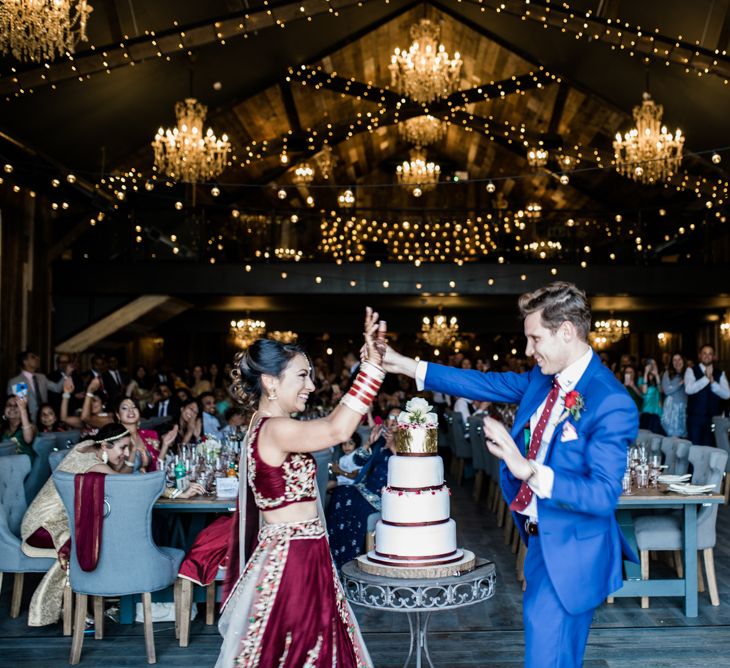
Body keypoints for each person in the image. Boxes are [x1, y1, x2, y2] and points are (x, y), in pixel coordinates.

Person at [383, 282, 639, 668]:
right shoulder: (542, 379)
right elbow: (485, 384)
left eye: (535, 338)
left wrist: (528, 470)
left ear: (566, 331)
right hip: (540, 541)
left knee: (546, 658)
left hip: (573, 548)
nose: (527, 350)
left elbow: (603, 495)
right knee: (558, 658)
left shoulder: (610, 399)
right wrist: (403, 364)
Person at [215, 308, 385, 668]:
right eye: (302, 376)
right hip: (292, 559)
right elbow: (338, 431)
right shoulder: (275, 428)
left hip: (303, 551)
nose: (311, 385)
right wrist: (371, 369)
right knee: (301, 650)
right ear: (271, 381)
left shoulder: (266, 426)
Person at [20, 423, 204, 627]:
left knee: (106, 535)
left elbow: (122, 475)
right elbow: (131, 486)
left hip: (64, 516)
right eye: (122, 448)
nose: (125, 453)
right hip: (44, 525)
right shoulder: (93, 464)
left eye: (127, 448)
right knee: (100, 540)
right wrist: (177, 493)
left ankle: (108, 597)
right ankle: (101, 600)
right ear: (106, 445)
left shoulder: (91, 445)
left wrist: (128, 453)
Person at [114, 396, 178, 471]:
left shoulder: (150, 435)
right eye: (125, 408)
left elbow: (156, 469)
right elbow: (117, 474)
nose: (131, 410)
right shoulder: (116, 438)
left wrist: (165, 445)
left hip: (150, 480)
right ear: (118, 415)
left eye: (134, 407)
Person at [685, 344, 730, 445]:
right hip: (695, 419)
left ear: (713, 356)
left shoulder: (720, 373)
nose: (707, 356)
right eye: (704, 353)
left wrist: (713, 383)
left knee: (711, 452)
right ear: (700, 355)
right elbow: (688, 389)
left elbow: (727, 395)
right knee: (694, 452)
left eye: (710, 353)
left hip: (713, 420)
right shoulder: (690, 370)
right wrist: (706, 379)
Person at [6, 351, 67, 422]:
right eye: (33, 357)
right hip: (26, 420)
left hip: (45, 420)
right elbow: (12, 404)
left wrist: (67, 374)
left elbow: (57, 388)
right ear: (25, 362)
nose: (38, 359)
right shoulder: (16, 381)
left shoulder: (42, 377)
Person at [2, 394, 38, 461]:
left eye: (16, 405)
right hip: (7, 464)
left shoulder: (32, 426)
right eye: (9, 405)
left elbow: (28, 439)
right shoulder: (3, 428)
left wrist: (23, 410)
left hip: (25, 465)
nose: (12, 408)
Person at [661, 353, 688, 437]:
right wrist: (681, 383)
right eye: (674, 360)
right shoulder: (667, 373)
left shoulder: (688, 372)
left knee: (685, 438)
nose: (677, 362)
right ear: (671, 362)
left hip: (685, 408)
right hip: (672, 409)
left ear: (683, 360)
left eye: (679, 359)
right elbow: (666, 390)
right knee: (673, 437)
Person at [637, 357, 663, 434]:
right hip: (646, 410)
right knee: (645, 436)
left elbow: (660, 390)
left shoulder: (657, 379)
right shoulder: (641, 379)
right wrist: (645, 373)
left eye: (654, 364)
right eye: (650, 364)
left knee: (656, 436)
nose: (652, 366)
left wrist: (657, 375)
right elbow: (644, 391)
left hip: (657, 411)